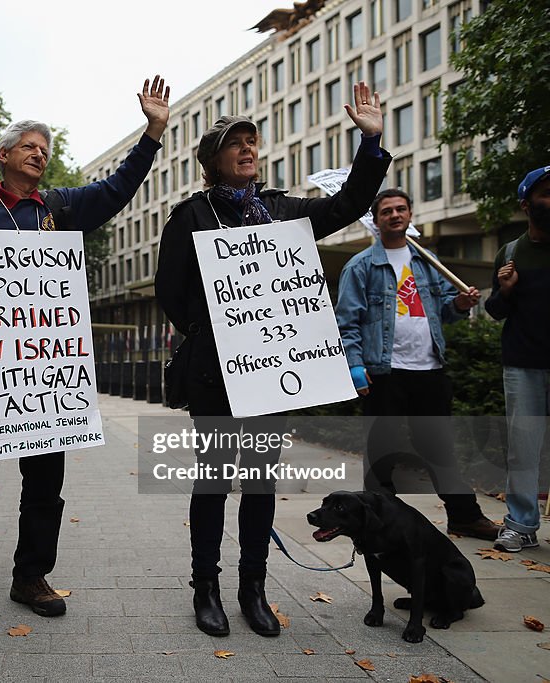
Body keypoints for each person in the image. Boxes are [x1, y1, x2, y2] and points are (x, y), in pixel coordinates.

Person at [0, 75, 170, 632]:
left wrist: (152, 132)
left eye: (46, 149)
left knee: (46, 486)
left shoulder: (61, 210)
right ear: (4, 156)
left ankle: (30, 576)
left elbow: (116, 190)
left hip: (47, 380)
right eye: (29, 147)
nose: (40, 154)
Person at [154, 82, 389, 638]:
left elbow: (350, 204)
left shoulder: (284, 210)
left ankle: (252, 589)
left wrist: (372, 143)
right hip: (215, 376)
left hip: (270, 376)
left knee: (259, 483)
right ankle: (205, 588)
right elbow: (170, 290)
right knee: (212, 482)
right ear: (213, 161)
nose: (248, 149)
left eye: (252, 141)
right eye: (236, 142)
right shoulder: (191, 215)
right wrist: (214, 331)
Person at [335, 188, 499, 541]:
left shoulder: (428, 262)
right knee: (381, 454)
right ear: (376, 222)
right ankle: (379, 524)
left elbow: (445, 315)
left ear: (410, 215)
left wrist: (459, 303)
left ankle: (464, 517)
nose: (395, 215)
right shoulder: (360, 266)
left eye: (401, 209)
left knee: (440, 448)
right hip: (385, 373)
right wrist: (355, 366)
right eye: (387, 212)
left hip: (429, 370)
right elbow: (346, 322)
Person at [485, 165, 550, 552]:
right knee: (523, 447)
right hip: (523, 364)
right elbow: (494, 311)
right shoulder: (509, 253)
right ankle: (521, 524)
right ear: (527, 204)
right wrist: (506, 290)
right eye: (546, 193)